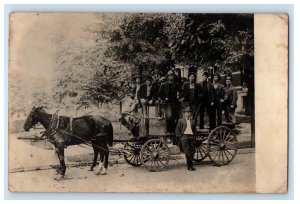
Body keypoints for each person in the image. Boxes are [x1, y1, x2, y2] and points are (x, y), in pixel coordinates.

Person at [158, 70, 180, 136]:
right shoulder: (164, 85)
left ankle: (173, 131)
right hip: (167, 103)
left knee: (175, 117)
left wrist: (180, 97)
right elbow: (159, 94)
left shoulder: (176, 84)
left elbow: (181, 91)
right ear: (168, 77)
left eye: (172, 75)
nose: (171, 77)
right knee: (169, 116)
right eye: (170, 75)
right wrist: (164, 98)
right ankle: (168, 130)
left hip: (175, 102)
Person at [175, 106, 196, 171]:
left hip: (191, 137)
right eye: (187, 112)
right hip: (184, 137)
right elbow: (177, 130)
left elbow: (195, 130)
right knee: (187, 152)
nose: (188, 114)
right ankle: (190, 166)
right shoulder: (181, 120)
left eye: (189, 112)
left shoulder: (192, 121)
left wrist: (194, 136)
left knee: (192, 151)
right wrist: (180, 137)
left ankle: (190, 165)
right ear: (184, 113)